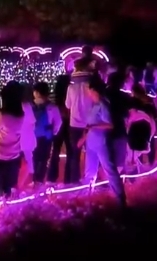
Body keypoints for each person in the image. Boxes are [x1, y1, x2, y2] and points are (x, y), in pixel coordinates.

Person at [78, 79, 127, 207]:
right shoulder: (94, 105)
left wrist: (94, 127)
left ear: (95, 91)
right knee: (90, 171)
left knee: (109, 170)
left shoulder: (103, 105)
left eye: (90, 91)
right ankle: (87, 197)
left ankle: (120, 199)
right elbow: (90, 125)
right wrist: (84, 138)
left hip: (101, 143)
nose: (89, 93)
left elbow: (110, 125)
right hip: (91, 143)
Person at [65, 57, 96, 184]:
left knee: (75, 153)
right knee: (91, 152)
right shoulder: (91, 87)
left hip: (74, 124)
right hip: (90, 124)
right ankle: (90, 179)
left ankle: (74, 180)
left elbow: (67, 105)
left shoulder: (71, 88)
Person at [30, 83, 63, 184]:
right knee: (43, 159)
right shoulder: (52, 107)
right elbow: (58, 122)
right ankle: (39, 179)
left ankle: (34, 179)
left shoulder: (30, 106)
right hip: (46, 137)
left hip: (33, 136)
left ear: (37, 93)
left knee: (34, 158)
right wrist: (53, 132)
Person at [47, 74, 73, 184]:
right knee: (70, 151)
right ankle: (68, 179)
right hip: (70, 123)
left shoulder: (53, 96)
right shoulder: (71, 92)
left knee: (55, 150)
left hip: (57, 124)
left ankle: (51, 178)